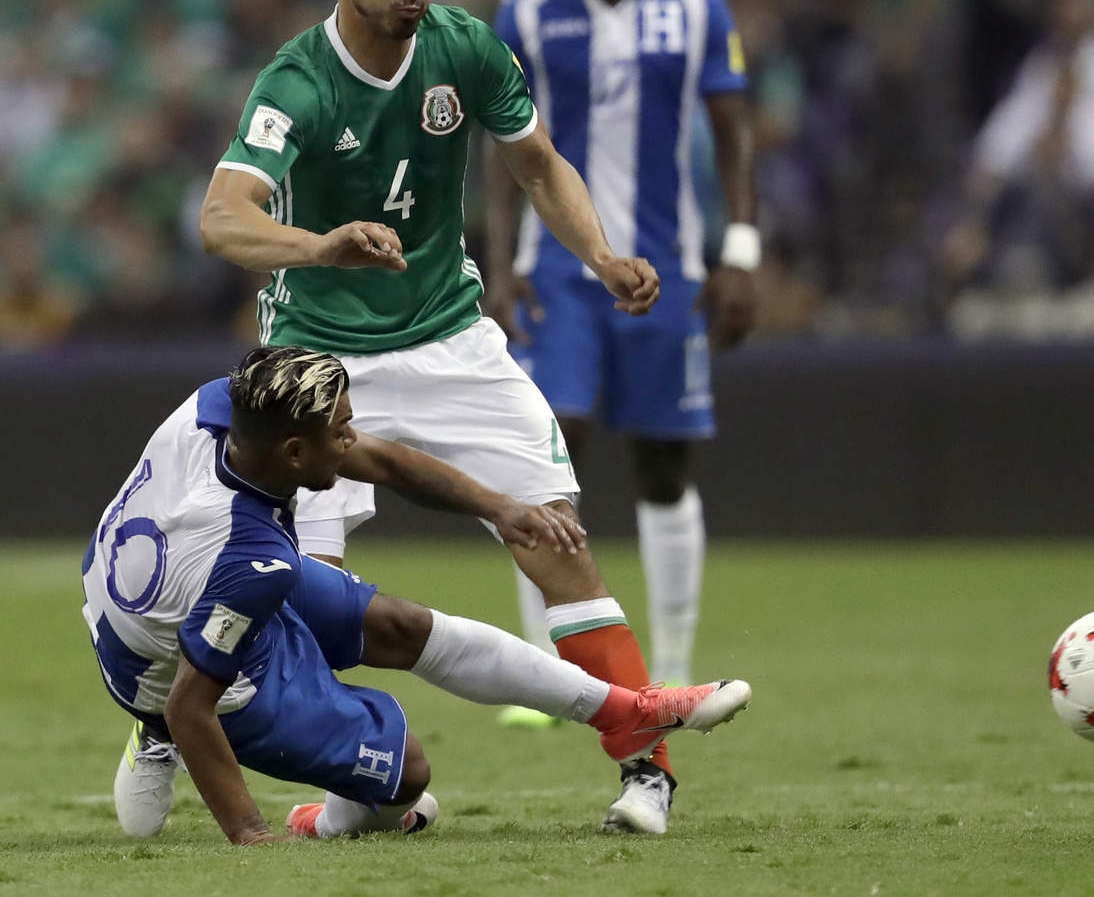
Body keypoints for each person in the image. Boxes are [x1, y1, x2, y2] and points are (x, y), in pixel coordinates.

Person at [194, 0, 687, 835]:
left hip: (453, 341)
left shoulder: (464, 49)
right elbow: (222, 218)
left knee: (555, 541)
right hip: (319, 364)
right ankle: (206, 732)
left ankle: (648, 775)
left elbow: (538, 165)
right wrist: (320, 247)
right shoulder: (297, 81)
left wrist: (599, 255)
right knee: (305, 599)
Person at [89, 346, 752, 844]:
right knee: (407, 775)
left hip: (152, 597)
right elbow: (191, 703)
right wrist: (250, 836)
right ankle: (166, 739)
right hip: (165, 671)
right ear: (291, 453)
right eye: (339, 432)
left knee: (401, 625)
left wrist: (502, 509)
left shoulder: (220, 408)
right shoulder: (252, 558)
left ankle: (628, 712)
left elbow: (386, 462)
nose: (351, 442)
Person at [484, 0, 758, 723]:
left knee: (664, 464)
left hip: (668, 269)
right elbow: (500, 145)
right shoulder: (526, 11)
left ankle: (668, 667)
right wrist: (498, 262)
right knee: (542, 462)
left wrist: (741, 250)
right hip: (555, 273)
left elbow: (734, 128)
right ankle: (543, 674)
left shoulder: (696, 8)